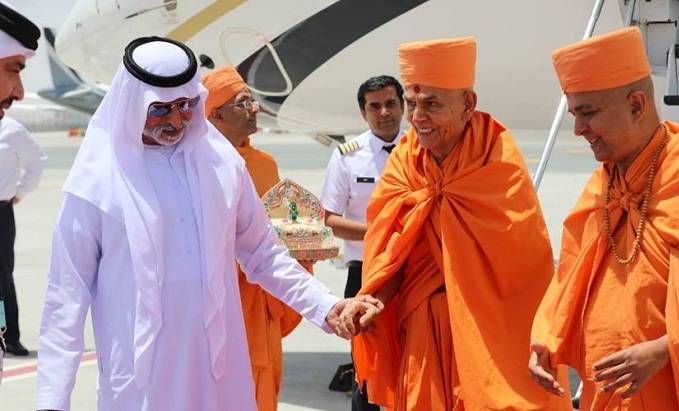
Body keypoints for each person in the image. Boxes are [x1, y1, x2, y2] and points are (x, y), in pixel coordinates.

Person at [35, 36, 379, 411]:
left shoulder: (221, 164)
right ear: (133, 105)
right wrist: (53, 401)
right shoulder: (95, 184)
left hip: (220, 373)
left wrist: (325, 305)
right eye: (160, 109)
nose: (176, 119)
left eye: (186, 105)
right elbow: (66, 299)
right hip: (141, 382)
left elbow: (264, 254)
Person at [335, 37, 571, 410]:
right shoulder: (404, 163)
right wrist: (372, 299)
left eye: (431, 105)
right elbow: (397, 255)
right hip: (422, 330)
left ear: (468, 104)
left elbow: (523, 269)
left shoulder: (496, 161)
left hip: (488, 330)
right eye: (412, 105)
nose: (417, 118)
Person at [529, 26, 679, 411]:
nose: (577, 130)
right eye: (574, 115)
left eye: (587, 113)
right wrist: (545, 340)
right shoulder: (602, 183)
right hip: (606, 393)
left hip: (675, 390)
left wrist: (663, 349)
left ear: (637, 105)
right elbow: (570, 275)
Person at [202, 64, 313, 411]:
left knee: (262, 388)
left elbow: (280, 224)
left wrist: (303, 242)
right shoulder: (198, 164)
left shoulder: (265, 164)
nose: (254, 109)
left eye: (251, 101)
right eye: (244, 102)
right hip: (220, 300)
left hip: (262, 298)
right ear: (216, 116)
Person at [319, 74, 404, 411]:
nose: (384, 112)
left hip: (414, 272)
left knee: (417, 361)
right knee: (366, 370)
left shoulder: (422, 149)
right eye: (375, 106)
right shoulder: (347, 156)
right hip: (365, 275)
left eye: (391, 103)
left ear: (403, 106)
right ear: (363, 112)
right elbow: (327, 218)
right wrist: (378, 232)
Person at [0, 1, 41, 357]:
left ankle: (7, 337)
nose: (19, 93)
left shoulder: (12, 130)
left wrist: (18, 193)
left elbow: (37, 162)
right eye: (14, 70)